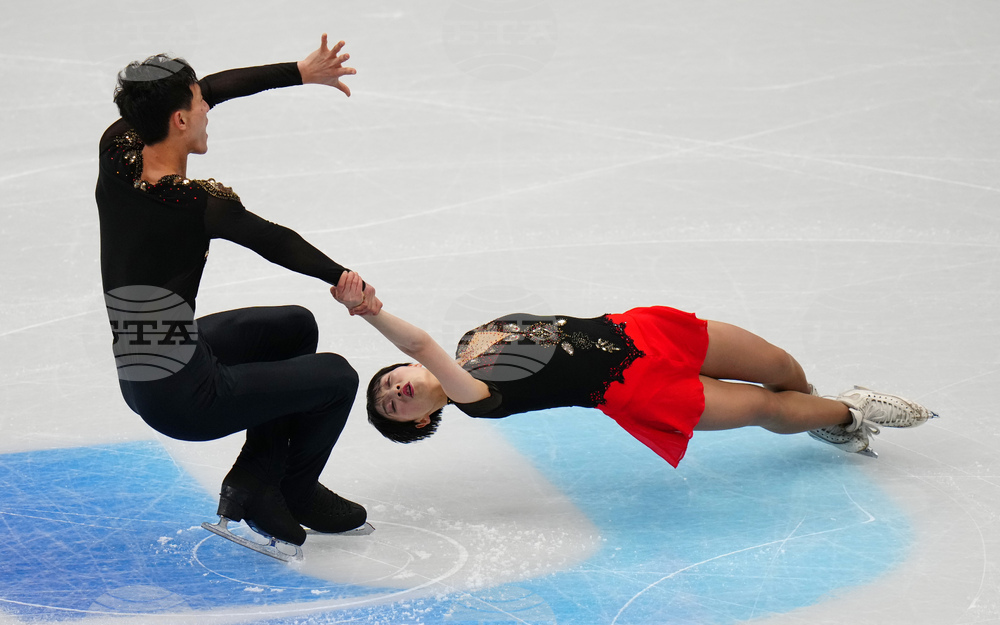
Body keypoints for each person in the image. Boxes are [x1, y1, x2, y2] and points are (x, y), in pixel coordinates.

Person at [97, 35, 381, 555]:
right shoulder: (195, 205)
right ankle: (293, 492)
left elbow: (215, 87)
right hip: (184, 398)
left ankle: (254, 481)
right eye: (198, 103)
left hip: (147, 370)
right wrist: (346, 281)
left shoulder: (118, 150)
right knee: (337, 377)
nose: (208, 107)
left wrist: (299, 70)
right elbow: (276, 240)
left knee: (294, 325)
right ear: (180, 119)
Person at [330, 272, 935, 464]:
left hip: (639, 331)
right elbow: (430, 346)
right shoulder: (474, 398)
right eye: (393, 407)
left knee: (776, 364)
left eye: (388, 382)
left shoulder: (474, 338)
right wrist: (371, 311)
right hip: (635, 390)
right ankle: (846, 414)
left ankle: (814, 406)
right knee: (765, 407)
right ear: (419, 423)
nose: (395, 392)